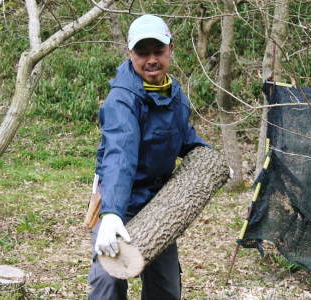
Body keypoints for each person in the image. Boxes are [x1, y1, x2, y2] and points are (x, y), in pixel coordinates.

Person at [89, 14, 208, 300]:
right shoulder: (122, 99)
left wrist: (209, 158)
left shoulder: (176, 96)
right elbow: (120, 154)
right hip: (119, 202)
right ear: (130, 53)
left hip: (158, 208)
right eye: (142, 53)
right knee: (109, 282)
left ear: (171, 49)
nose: (151, 59)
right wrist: (112, 213)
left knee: (165, 288)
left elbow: (185, 139)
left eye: (158, 51)